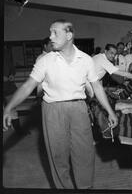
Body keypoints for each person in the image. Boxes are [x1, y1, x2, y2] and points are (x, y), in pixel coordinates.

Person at [3, 19, 118, 189]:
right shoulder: (45, 60)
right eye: (50, 32)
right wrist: (8, 107)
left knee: (84, 153)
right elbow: (28, 85)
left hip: (79, 108)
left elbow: (97, 87)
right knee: (58, 156)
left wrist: (110, 111)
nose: (50, 37)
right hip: (52, 110)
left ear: (69, 35)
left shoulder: (86, 60)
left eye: (55, 32)